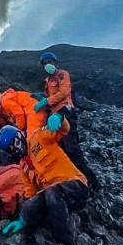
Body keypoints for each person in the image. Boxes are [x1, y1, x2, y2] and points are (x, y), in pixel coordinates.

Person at [0, 120, 90, 245]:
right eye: (10, 148)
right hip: (54, 197)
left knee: (52, 192)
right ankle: (52, 224)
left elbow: (62, 130)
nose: (16, 148)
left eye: (15, 142)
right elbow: (30, 193)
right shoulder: (23, 166)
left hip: (75, 186)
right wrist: (23, 218)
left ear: (20, 135)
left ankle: (66, 243)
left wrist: (59, 119)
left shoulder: (39, 137)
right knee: (29, 207)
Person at [33, 52, 100, 190]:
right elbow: (51, 97)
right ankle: (78, 180)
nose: (48, 65)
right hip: (54, 115)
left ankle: (89, 183)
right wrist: (42, 98)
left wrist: (46, 100)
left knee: (72, 149)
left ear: (55, 62)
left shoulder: (62, 74)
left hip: (66, 112)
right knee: (64, 150)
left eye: (50, 61)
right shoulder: (48, 80)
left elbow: (63, 93)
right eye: (45, 63)